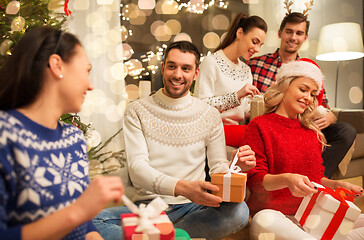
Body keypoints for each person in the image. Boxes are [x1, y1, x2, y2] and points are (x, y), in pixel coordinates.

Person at [93, 41, 256, 240]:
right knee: (91, 220)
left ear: (196, 74)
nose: (178, 75)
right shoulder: (137, 110)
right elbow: (137, 169)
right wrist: (183, 188)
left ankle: (157, 235)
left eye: (186, 68)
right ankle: (172, 235)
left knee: (239, 212)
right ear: (163, 68)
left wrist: (234, 168)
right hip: (149, 207)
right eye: (172, 66)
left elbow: (217, 168)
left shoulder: (210, 114)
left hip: (194, 208)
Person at [0, 26, 124, 240]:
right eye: (86, 71)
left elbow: (83, 225)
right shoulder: (5, 134)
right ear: (57, 65)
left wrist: (93, 234)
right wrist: (79, 211)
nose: (90, 85)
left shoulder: (73, 138)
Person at [241, 59, 364, 240]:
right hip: (277, 217)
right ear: (285, 87)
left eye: (313, 94)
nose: (308, 97)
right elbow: (256, 182)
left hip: (312, 216)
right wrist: (287, 179)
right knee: (262, 220)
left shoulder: (311, 133)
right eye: (303, 89)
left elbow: (315, 180)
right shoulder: (259, 126)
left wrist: (336, 185)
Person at [249, 12, 357, 178]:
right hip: (275, 130)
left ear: (305, 37)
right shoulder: (257, 64)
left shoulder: (310, 70)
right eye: (289, 31)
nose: (293, 37)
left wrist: (330, 117)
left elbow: (324, 106)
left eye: (299, 33)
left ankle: (318, 180)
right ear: (280, 33)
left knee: (346, 130)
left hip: (303, 127)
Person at [194, 13, 267, 147]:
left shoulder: (246, 70)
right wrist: (237, 95)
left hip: (237, 136)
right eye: (254, 42)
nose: (257, 49)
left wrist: (264, 103)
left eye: (260, 45)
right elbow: (201, 106)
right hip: (212, 134)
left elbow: (244, 112)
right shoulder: (212, 62)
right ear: (240, 33)